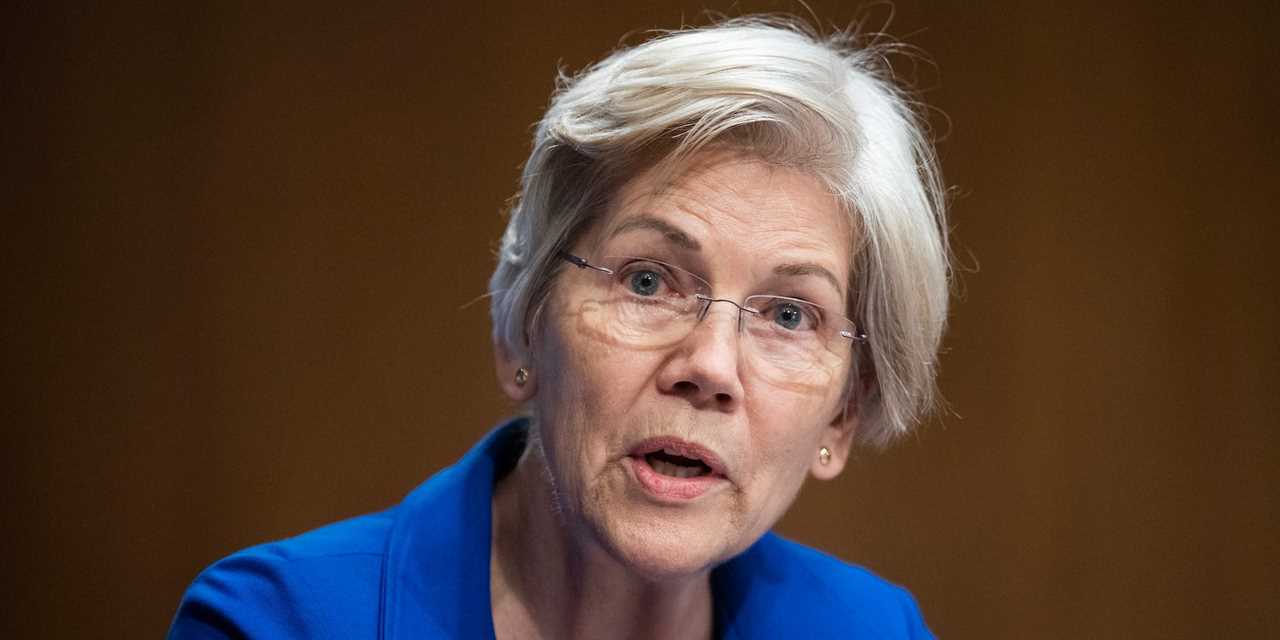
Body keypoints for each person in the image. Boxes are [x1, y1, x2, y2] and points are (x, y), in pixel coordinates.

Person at [169, 16, 949, 640]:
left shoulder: (874, 630)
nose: (709, 364)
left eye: (787, 315)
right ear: (522, 328)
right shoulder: (277, 624)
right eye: (648, 281)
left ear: (843, 415)